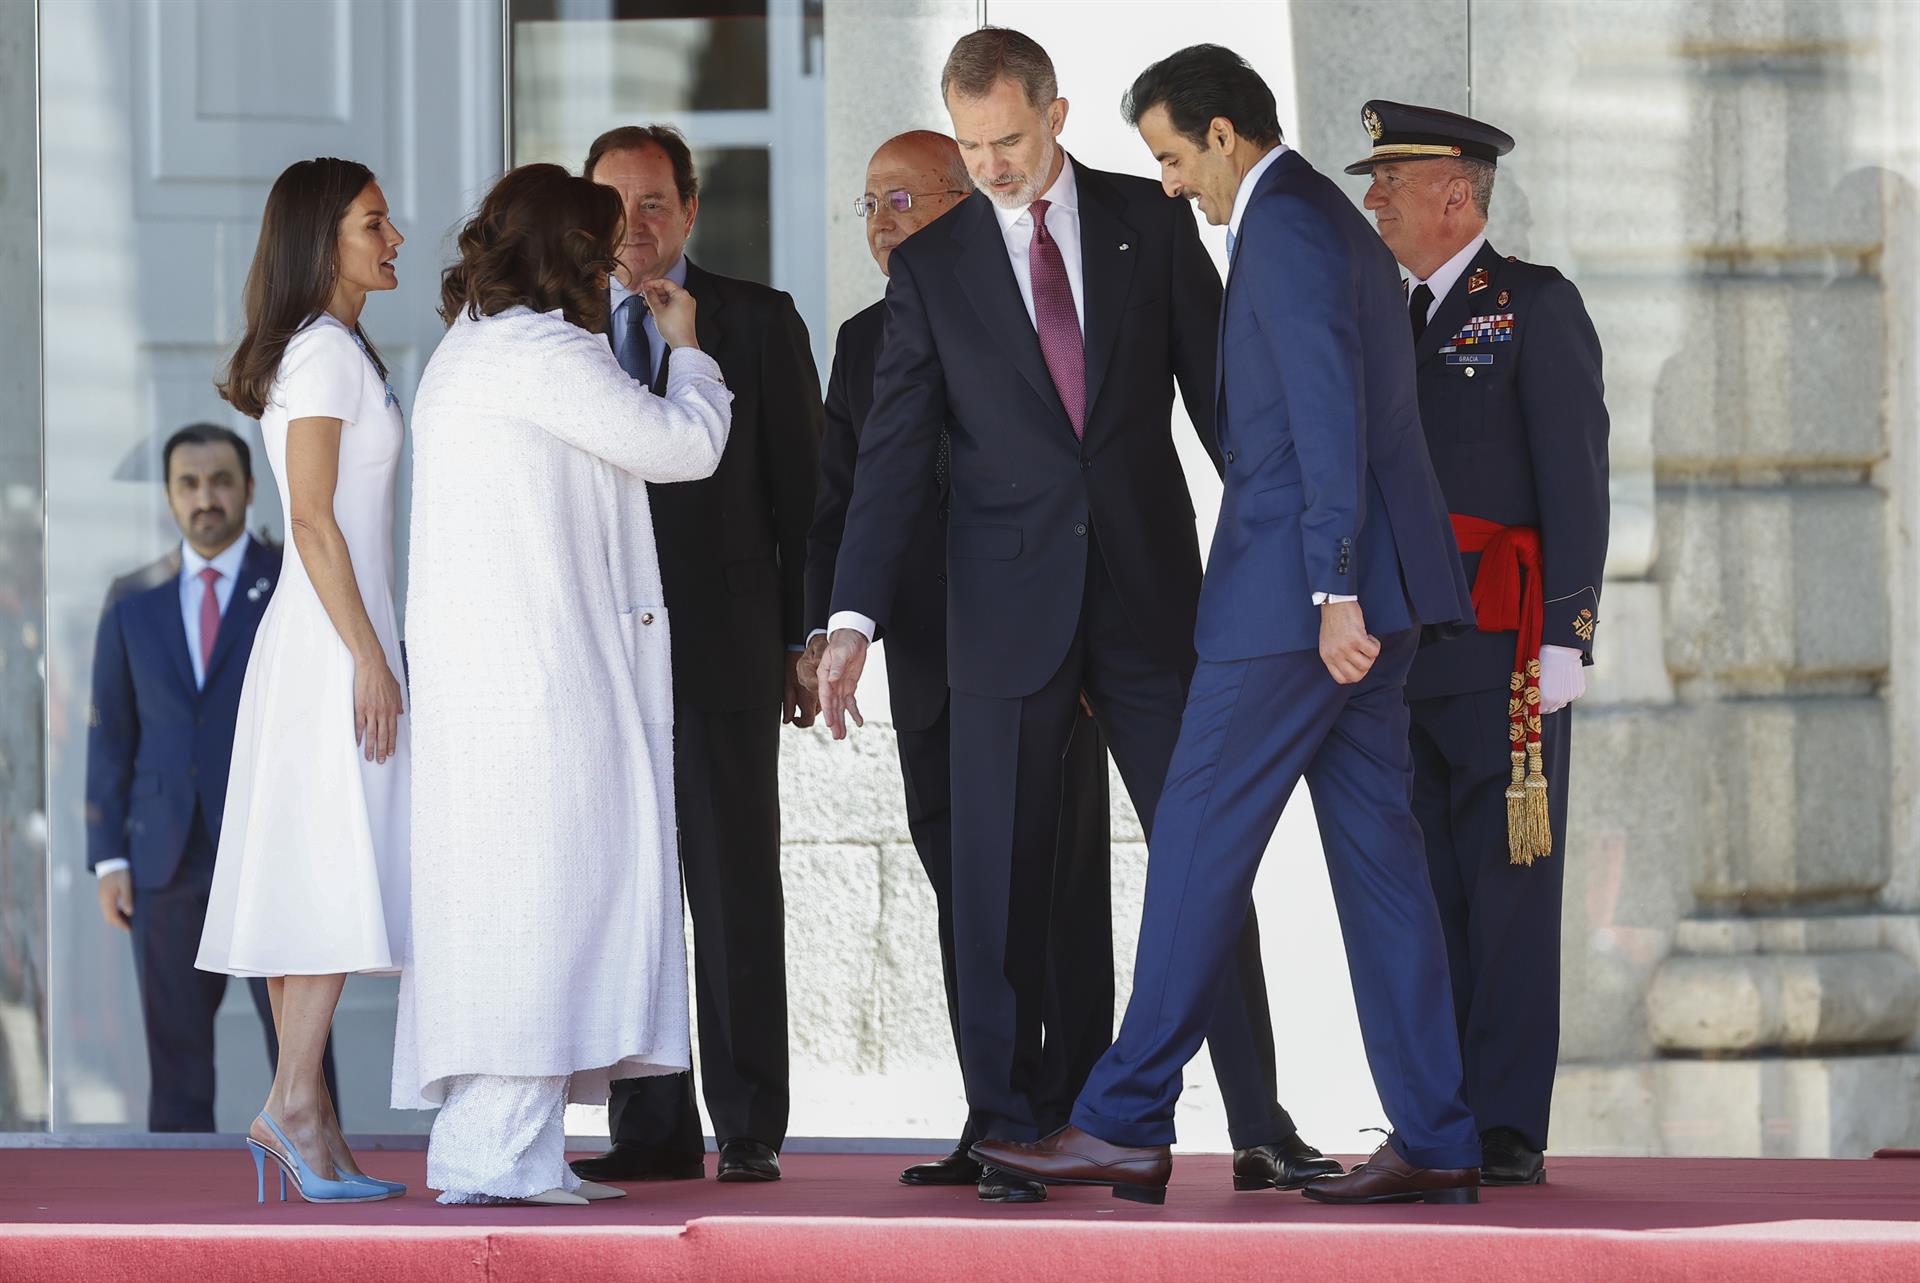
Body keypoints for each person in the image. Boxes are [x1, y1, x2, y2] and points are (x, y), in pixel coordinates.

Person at [815, 29, 1330, 1202]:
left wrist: (1305, 555)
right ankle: (1006, 1125)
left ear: (1055, 111)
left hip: (1150, 598)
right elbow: (894, 456)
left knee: (1206, 861)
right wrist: (851, 615)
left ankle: (1260, 1120)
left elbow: (1227, 408)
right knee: (994, 880)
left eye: (1007, 139)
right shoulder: (934, 264)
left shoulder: (1148, 225)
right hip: (1001, 610)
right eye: (970, 144)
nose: (990, 164)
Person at [973, 43, 1483, 1207]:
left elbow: (1324, 414)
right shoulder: (1305, 217)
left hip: (1298, 607)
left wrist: (1333, 585)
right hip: (1357, 597)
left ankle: (1121, 1117)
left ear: (1222, 136)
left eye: (1168, 156)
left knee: (1197, 843)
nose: (1164, 184)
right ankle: (1439, 1131)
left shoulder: (1289, 222)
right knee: (1384, 869)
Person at [395, 162, 730, 1207]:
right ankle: (496, 1153)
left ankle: (507, 1148)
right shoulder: (541, 353)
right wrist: (691, 355)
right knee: (546, 904)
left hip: (500, 682)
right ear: (572, 257)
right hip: (544, 682)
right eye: (603, 240)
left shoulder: (468, 348)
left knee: (518, 906)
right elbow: (686, 446)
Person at [797, 130, 1124, 1195]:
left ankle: (1073, 1114)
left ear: (959, 205)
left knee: (1057, 895)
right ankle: (1000, 1114)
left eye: (902, 199)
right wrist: (827, 630)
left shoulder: (1037, 305)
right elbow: (843, 501)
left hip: (1042, 657)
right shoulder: (859, 339)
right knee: (967, 903)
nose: (883, 223)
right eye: (869, 204)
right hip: (934, 669)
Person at [1350, 99, 1609, 1186]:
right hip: (1400, 646)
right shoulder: (1376, 312)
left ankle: (1502, 1123)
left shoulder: (1532, 305)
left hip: (1503, 645)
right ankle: (1433, 1112)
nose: (1373, 201)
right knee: (1421, 892)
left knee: (1506, 890)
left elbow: (1577, 479)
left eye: (1390, 184)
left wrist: (1570, 635)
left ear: (1455, 192)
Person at [571, 125, 821, 1189]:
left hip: (721, 657)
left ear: (693, 208)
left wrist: (805, 642)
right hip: (602, 665)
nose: (639, 222)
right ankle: (652, 1119)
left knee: (730, 890)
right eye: (617, 202)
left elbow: (804, 500)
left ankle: (750, 1118)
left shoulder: (757, 321)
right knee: (628, 893)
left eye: (659, 199)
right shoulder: (558, 332)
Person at [197, 156, 410, 1204]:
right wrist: (371, 653)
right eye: (375, 222)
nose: (396, 237)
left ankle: (305, 1110)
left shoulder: (320, 350)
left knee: (310, 870)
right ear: (325, 237)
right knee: (330, 866)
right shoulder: (325, 356)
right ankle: (292, 1102)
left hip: (323, 632)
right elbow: (315, 520)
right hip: (334, 637)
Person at [86, 423, 337, 1133]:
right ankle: (179, 1213)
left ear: (251, 488)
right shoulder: (131, 599)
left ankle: (320, 1165)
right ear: (169, 495)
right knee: (177, 1060)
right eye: (189, 484)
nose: (207, 497)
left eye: (221, 480)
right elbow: (111, 733)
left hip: (269, 846)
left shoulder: (293, 579)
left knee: (303, 1054)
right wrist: (109, 856)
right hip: (164, 857)